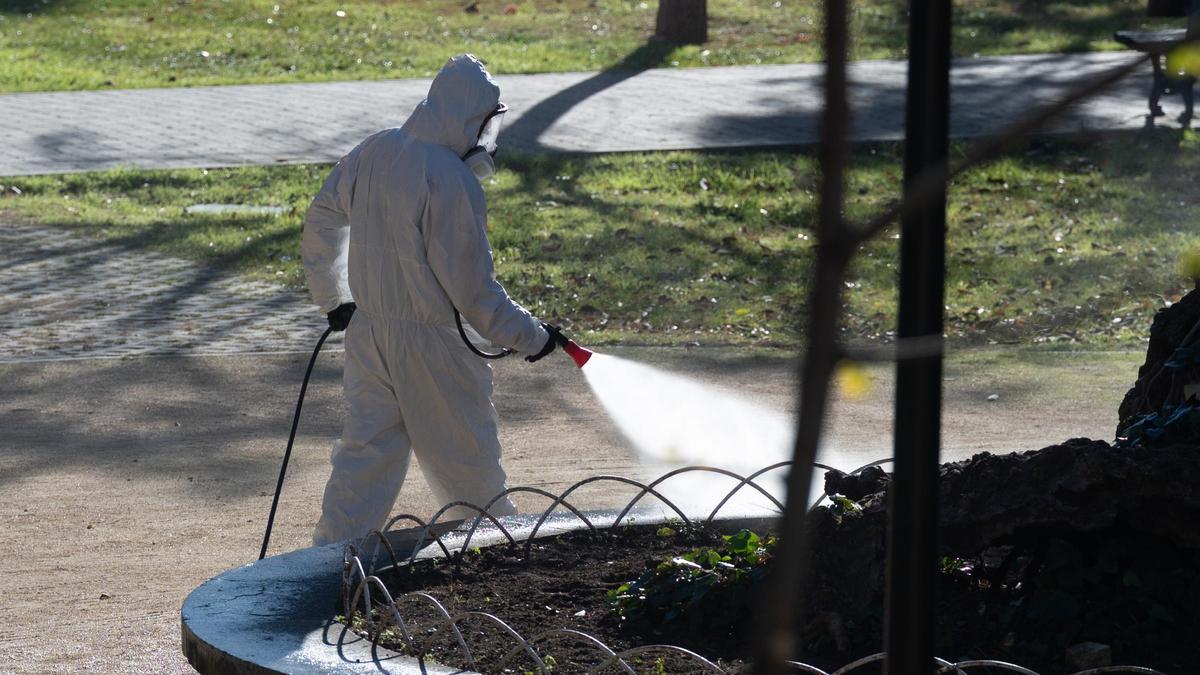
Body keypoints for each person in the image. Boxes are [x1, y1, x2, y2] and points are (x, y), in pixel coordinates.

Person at [302, 54, 561, 546]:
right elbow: (473, 291)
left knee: (364, 460)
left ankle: (329, 567)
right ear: (470, 118)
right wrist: (533, 337)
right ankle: (500, 564)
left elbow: (321, 217)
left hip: (369, 334)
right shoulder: (449, 178)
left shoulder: (374, 149)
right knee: (471, 470)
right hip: (433, 347)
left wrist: (333, 298)